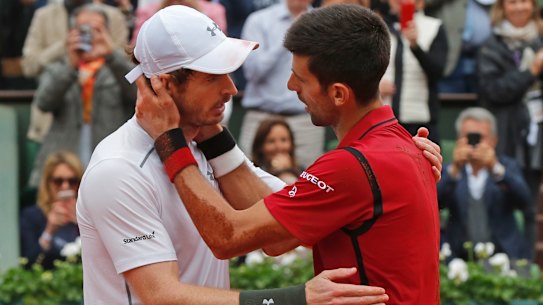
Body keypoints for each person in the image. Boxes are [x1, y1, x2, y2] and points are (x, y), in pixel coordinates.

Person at [77, 5, 391, 305]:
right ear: (166, 85)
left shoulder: (207, 145)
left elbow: (284, 232)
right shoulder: (118, 170)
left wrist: (396, 160)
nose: (231, 89)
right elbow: (162, 296)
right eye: (213, 78)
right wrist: (293, 300)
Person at [135, 4, 443, 305]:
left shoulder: (351, 166)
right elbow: (276, 239)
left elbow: (228, 236)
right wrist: (210, 130)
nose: (290, 85)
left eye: (301, 79)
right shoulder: (404, 146)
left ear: (338, 94)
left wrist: (169, 140)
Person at [28, 3, 136, 187]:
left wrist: (111, 55)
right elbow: (44, 102)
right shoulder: (60, 66)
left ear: (107, 33)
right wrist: (71, 65)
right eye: (83, 29)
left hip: (109, 166)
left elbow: (137, 93)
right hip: (65, 169)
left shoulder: (117, 67)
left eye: (96, 29)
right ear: (71, 32)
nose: (90, 35)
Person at [477, 0, 543, 260]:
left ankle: (526, 273)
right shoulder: (491, 46)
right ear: (502, 8)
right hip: (505, 136)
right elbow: (494, 91)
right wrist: (532, 71)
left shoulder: (539, 41)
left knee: (529, 207)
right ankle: (499, 269)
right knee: (501, 204)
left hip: (535, 140)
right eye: (512, 2)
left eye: (524, 1)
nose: (519, 8)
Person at [238, 0, 326, 169]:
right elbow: (253, 72)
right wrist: (289, 37)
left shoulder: (322, 22)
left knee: (309, 183)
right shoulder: (258, 20)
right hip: (261, 118)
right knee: (248, 183)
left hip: (306, 121)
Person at [438, 107, 533, 260]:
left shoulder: (507, 167)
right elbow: (435, 202)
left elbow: (525, 200)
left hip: (504, 257)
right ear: (458, 139)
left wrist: (494, 167)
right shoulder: (450, 170)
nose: (474, 144)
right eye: (469, 137)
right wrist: (455, 169)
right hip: (460, 258)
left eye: (480, 138)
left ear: (494, 140)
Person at [379, 0, 448, 144]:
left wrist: (416, 47)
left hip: (420, 123)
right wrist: (374, 87)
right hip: (383, 122)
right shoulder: (377, 26)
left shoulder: (434, 27)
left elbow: (438, 71)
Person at [20, 150, 83, 269]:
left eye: (72, 181)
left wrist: (81, 222)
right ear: (48, 183)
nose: (65, 186)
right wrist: (49, 231)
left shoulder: (88, 216)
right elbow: (28, 264)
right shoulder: (32, 216)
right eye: (58, 181)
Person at [251, 117, 301, 184]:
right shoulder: (251, 172)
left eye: (284, 140)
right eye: (271, 141)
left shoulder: (303, 173)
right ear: (260, 146)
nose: (279, 147)